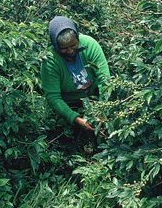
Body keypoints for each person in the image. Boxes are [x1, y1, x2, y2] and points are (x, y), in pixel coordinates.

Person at [40, 16, 110, 152]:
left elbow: (104, 81)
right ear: (55, 45)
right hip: (69, 103)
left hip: (94, 98)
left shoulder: (90, 45)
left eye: (73, 45)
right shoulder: (50, 59)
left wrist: (102, 111)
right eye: (64, 48)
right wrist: (76, 119)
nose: (70, 51)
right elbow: (53, 97)